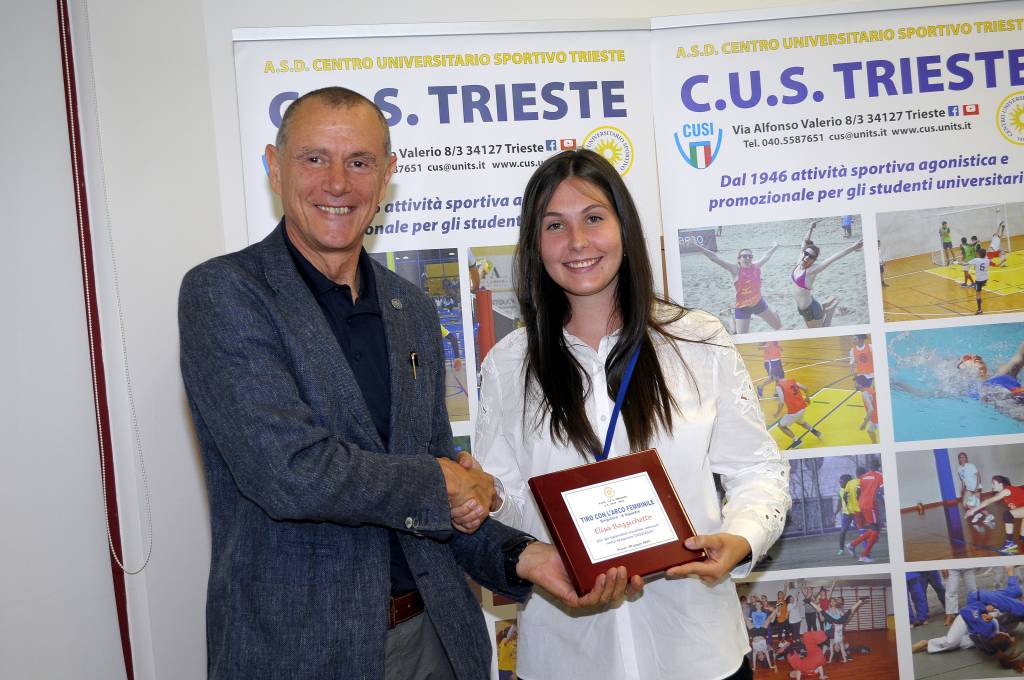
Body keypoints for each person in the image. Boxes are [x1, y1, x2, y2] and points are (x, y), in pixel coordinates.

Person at [178, 88, 622, 680]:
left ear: (386, 175)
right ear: (274, 167)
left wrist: (524, 557)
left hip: (435, 638)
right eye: (315, 158)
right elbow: (290, 473)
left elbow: (436, 498)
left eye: (359, 162)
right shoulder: (226, 293)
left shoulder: (408, 307)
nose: (338, 183)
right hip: (300, 652)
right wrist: (445, 479)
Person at [473, 149, 791, 680]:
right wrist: (486, 500)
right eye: (555, 225)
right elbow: (507, 502)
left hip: (697, 649)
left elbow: (758, 469)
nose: (578, 242)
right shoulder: (509, 364)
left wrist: (741, 538)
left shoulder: (698, 340)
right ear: (535, 244)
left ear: (623, 227)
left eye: (594, 218)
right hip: (567, 655)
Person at [912, 566, 1024, 672]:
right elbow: (968, 611)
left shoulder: (990, 646)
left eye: (1009, 637)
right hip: (968, 615)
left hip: (978, 621)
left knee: (963, 644)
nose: (1011, 636)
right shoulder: (995, 621)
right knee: (951, 642)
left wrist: (989, 614)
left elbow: (1013, 589)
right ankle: (925, 643)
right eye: (1010, 636)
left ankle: (944, 640)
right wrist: (984, 610)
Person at [695, 241, 783, 333]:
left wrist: (775, 246)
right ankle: (730, 317)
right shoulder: (735, 269)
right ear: (739, 259)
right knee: (740, 336)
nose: (747, 258)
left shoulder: (756, 266)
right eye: (744, 256)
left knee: (779, 327)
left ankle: (743, 315)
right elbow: (714, 258)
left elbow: (767, 256)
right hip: (743, 307)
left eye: (750, 256)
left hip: (758, 303)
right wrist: (696, 246)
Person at [791, 220, 863, 328]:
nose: (806, 257)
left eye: (811, 257)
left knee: (821, 329)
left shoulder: (811, 271)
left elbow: (833, 258)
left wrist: (852, 248)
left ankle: (829, 312)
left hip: (811, 310)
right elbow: (804, 242)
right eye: (806, 254)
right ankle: (825, 308)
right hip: (803, 308)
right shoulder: (799, 262)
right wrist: (810, 228)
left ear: (814, 260)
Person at [968, 475, 1024, 554]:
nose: (992, 485)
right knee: (1022, 538)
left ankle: (1010, 543)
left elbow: (989, 501)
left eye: (993, 483)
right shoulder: (1006, 493)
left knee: (1007, 514)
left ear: (1000, 484)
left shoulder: (1006, 490)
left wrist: (973, 509)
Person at [848, 462, 884, 563]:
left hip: (862, 504)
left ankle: (852, 545)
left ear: (870, 467)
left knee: (873, 528)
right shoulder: (880, 475)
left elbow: (858, 492)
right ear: (879, 466)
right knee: (876, 529)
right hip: (871, 504)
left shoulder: (863, 476)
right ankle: (864, 555)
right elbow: (883, 490)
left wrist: (862, 501)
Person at [774, 377, 823, 444]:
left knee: (781, 426)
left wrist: (777, 413)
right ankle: (817, 433)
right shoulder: (791, 381)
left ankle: (796, 441)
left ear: (774, 377)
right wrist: (807, 398)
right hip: (802, 408)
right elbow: (805, 388)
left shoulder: (779, 386)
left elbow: (781, 403)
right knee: (801, 422)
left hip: (794, 412)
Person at [959, 452, 995, 527]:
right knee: (965, 504)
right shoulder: (959, 468)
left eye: (963, 457)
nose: (962, 458)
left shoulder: (971, 466)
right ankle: (977, 514)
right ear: (959, 459)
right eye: (960, 457)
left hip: (976, 487)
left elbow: (978, 476)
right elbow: (963, 480)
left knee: (976, 505)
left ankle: (989, 515)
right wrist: (962, 489)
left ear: (966, 458)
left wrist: (976, 488)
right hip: (968, 489)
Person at [857, 378, 879, 444]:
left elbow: (871, 409)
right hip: (874, 418)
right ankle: (874, 444)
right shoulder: (870, 389)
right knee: (870, 431)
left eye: (856, 383)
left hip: (877, 419)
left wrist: (864, 423)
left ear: (860, 385)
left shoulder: (865, 393)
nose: (854, 384)